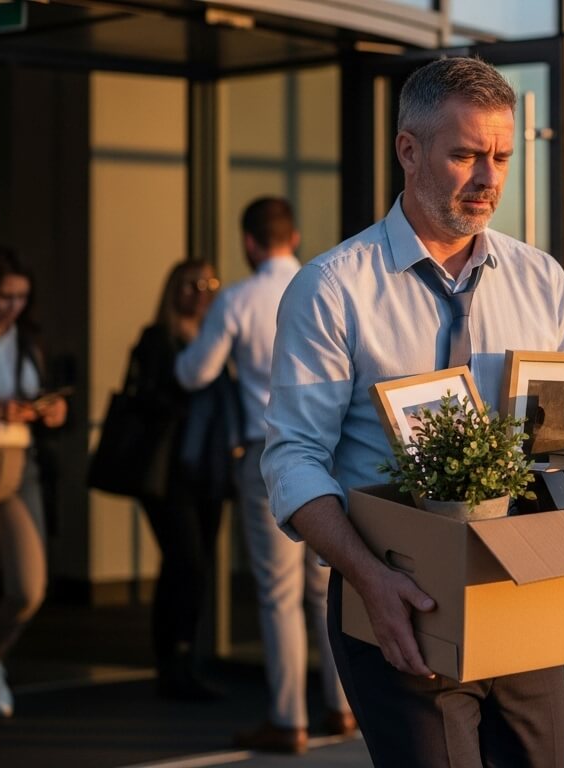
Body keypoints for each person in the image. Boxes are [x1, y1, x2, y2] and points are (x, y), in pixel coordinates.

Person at [261, 57, 564, 767]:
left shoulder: (542, 280)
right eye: (466, 154)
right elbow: (292, 460)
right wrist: (368, 580)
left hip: (522, 598)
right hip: (394, 605)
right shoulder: (331, 290)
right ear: (408, 150)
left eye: (502, 156)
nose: (489, 178)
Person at [174, 198, 352, 754]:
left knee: (278, 594)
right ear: (294, 235)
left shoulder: (238, 299)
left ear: (249, 243)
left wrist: (189, 332)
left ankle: (287, 716)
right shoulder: (327, 285)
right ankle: (344, 706)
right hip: (330, 454)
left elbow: (193, 373)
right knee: (327, 586)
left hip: (267, 454)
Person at [129, 260, 226, 700]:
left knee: (197, 566)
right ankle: (170, 664)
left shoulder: (217, 338)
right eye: (191, 285)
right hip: (167, 474)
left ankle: (184, 661)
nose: (201, 292)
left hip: (208, 471)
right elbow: (146, 398)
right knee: (183, 562)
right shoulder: (157, 339)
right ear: (174, 290)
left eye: (209, 283)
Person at [0, 247, 67, 717]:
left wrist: (51, 410)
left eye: (20, 297)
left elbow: (37, 394)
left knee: (28, 585)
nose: (12, 306)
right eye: (3, 296)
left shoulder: (27, 339)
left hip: (19, 462)